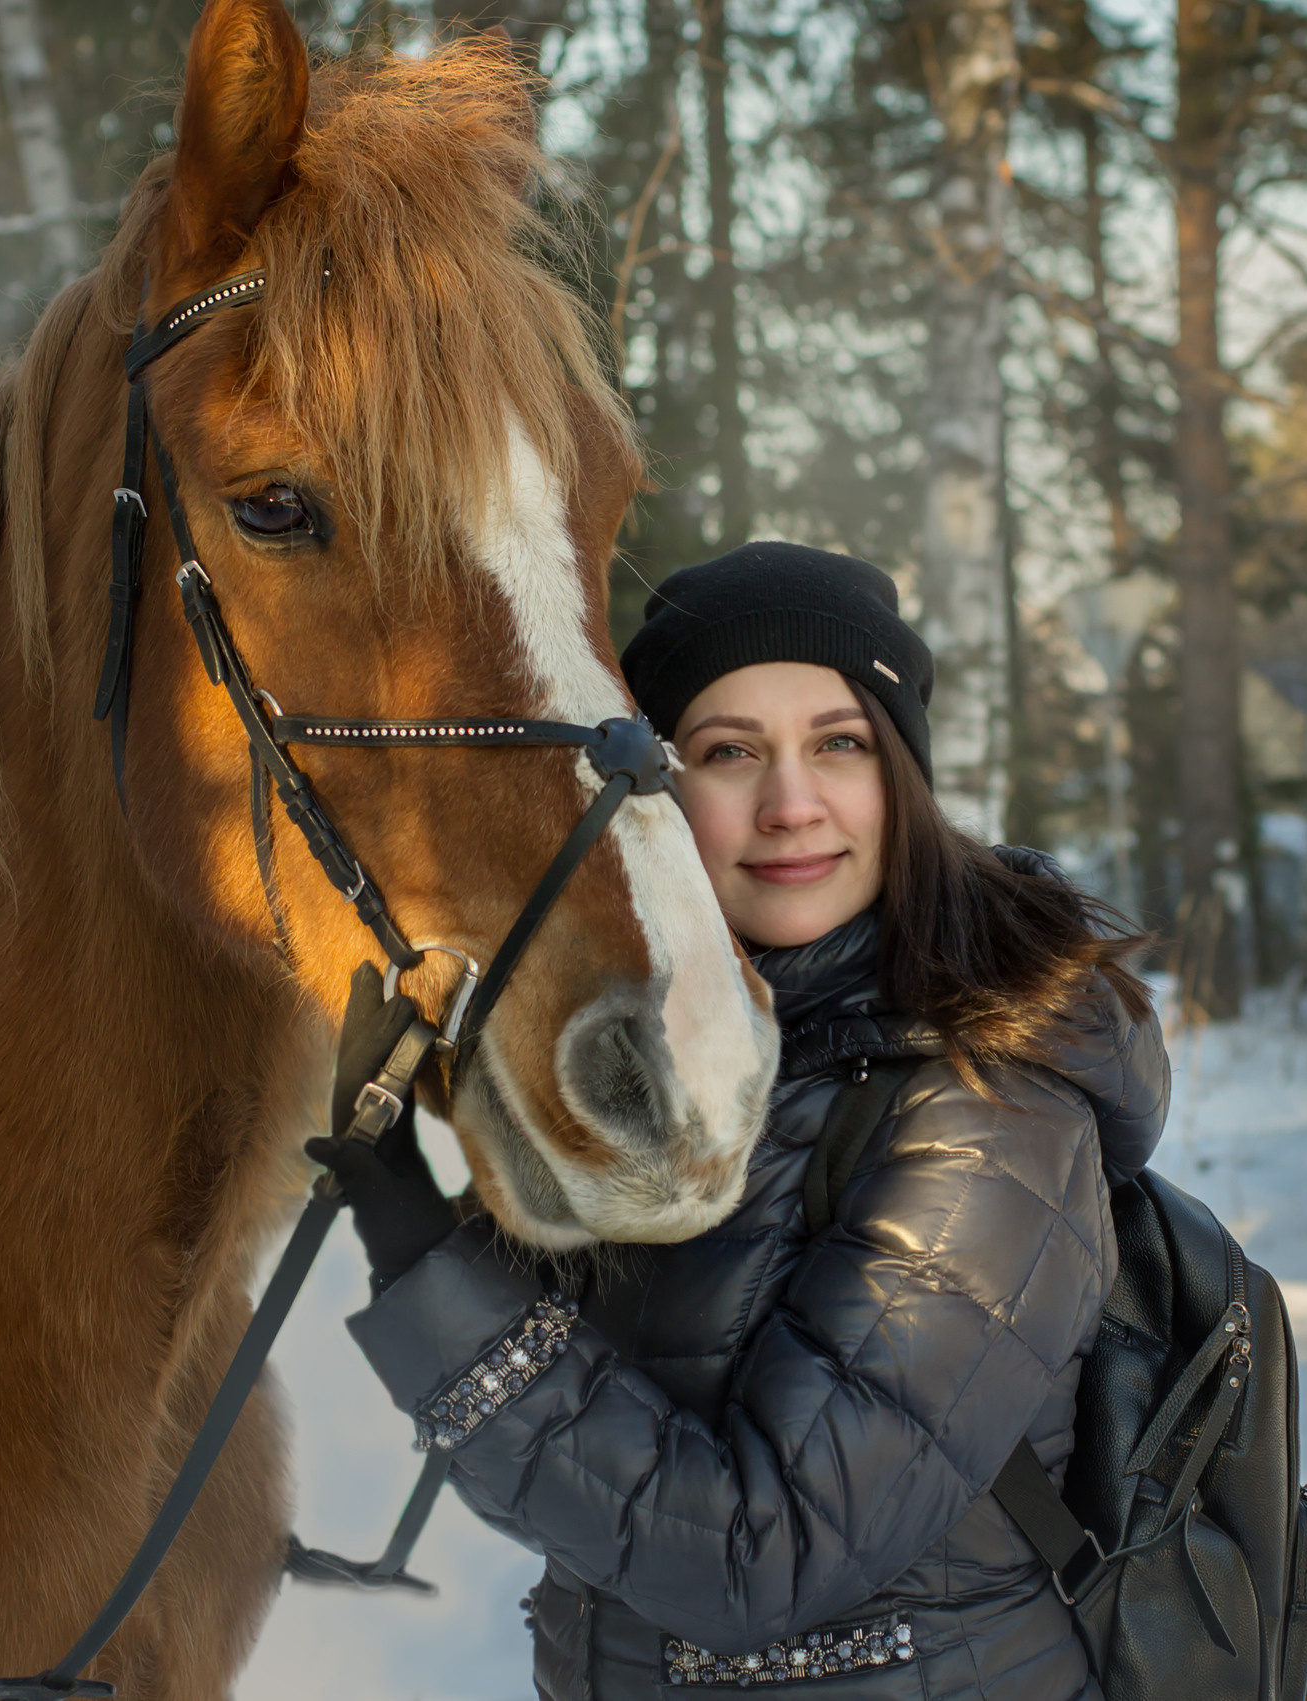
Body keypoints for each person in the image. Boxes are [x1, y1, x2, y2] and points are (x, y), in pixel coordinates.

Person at [329, 541, 1169, 1701]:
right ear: (653, 791)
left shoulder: (989, 1111)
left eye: (840, 744)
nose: (791, 806)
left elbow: (754, 1559)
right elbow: (587, 1470)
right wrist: (442, 1177)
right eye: (729, 752)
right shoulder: (678, 1072)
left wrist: (427, 1274)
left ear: (903, 778)